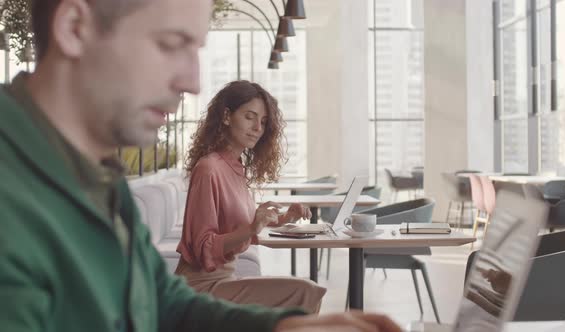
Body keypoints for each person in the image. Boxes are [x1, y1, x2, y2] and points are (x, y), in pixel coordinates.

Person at [0, 0, 401, 331]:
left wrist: (283, 328)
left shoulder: (95, 172)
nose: (193, 81)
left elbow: (161, 300)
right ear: (75, 29)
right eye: (171, 44)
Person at [175, 80, 325, 312]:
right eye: (250, 117)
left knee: (306, 291)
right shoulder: (209, 169)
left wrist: (283, 218)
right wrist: (252, 228)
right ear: (226, 116)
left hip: (224, 281)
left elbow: (238, 227)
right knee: (305, 292)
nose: (258, 127)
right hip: (200, 289)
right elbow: (202, 247)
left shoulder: (236, 168)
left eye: (263, 122)